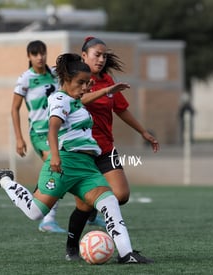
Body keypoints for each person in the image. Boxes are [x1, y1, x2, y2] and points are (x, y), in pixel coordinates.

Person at [0, 53, 153, 264]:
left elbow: (85, 102)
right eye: (81, 82)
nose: (86, 86)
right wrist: (56, 158)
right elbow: (53, 127)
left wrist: (106, 91)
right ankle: (3, 178)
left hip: (87, 167)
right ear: (66, 80)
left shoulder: (77, 101)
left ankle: (126, 254)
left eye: (88, 83)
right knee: (35, 213)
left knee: (110, 201)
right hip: (64, 163)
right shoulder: (59, 99)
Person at [64, 37, 159, 260]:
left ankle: (98, 210)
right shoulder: (77, 78)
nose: (101, 59)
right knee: (84, 206)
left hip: (105, 148)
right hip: (81, 152)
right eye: (97, 54)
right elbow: (79, 100)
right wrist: (106, 90)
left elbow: (121, 109)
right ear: (84, 55)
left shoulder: (107, 79)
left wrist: (143, 132)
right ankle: (71, 247)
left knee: (121, 195)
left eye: (104, 55)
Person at [11, 40, 66, 233]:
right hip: (40, 133)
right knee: (56, 166)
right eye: (35, 54)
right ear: (29, 57)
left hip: (59, 132)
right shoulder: (25, 79)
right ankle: (47, 219)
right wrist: (19, 138)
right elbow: (15, 109)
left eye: (42, 53)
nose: (40, 57)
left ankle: (89, 214)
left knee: (67, 168)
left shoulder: (54, 75)